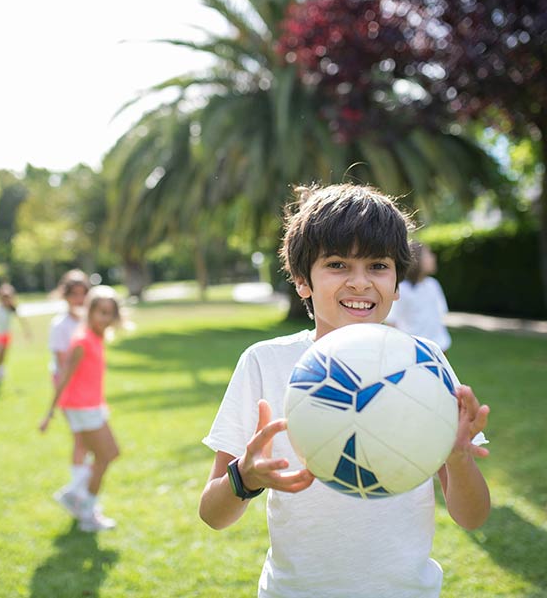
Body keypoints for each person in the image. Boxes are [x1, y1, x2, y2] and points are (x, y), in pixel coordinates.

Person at [199, 184, 490, 598]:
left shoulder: (423, 362)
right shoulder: (265, 363)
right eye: (337, 264)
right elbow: (213, 514)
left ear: (396, 281)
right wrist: (243, 478)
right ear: (302, 281)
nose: (360, 283)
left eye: (377, 266)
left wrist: (460, 460)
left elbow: (473, 517)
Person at [40, 285, 122, 532]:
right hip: (81, 408)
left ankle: (78, 498)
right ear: (90, 311)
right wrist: (50, 412)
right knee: (107, 455)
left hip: (90, 406)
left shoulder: (95, 336)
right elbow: (63, 375)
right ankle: (84, 507)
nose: (106, 318)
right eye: (101, 312)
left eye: (110, 313)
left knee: (107, 455)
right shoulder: (82, 339)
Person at [47, 269, 92, 494]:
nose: (79, 299)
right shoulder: (60, 325)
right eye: (74, 294)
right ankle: (76, 491)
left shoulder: (89, 321)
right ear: (65, 295)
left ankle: (80, 488)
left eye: (83, 293)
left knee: (88, 441)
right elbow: (63, 365)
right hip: (70, 389)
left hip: (87, 389)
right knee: (81, 439)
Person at [385, 241, 452, 352]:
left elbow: (441, 314)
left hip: (439, 348)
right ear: (416, 259)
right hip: (414, 350)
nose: (433, 257)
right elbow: (392, 321)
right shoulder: (402, 290)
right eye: (428, 254)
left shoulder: (433, 285)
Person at [0, 282, 31, 383]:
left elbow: (21, 319)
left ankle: (1, 368)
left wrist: (26, 331)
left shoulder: (12, 308)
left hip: (6, 334)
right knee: (0, 351)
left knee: (4, 353)